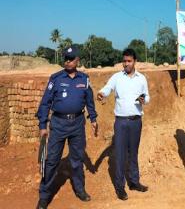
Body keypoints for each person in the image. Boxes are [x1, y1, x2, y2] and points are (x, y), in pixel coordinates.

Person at [36, 46, 98, 209]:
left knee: (77, 160)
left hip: (77, 124)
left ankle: (80, 189)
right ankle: (44, 196)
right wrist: (43, 125)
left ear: (78, 60)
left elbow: (89, 100)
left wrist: (93, 118)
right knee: (52, 161)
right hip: (58, 124)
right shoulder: (55, 78)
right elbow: (45, 103)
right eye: (66, 58)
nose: (67, 61)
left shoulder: (84, 79)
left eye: (71, 59)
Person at [97, 49, 150, 200]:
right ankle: (120, 188)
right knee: (120, 155)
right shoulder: (117, 77)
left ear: (135, 62)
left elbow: (147, 97)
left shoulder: (141, 78)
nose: (126, 64)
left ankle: (134, 182)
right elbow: (108, 88)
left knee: (133, 153)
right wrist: (102, 93)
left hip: (136, 122)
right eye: (124, 61)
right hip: (121, 122)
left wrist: (143, 100)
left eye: (129, 61)